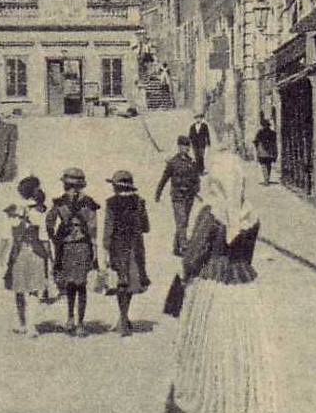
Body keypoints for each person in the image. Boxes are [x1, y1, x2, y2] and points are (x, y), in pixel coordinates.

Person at [167, 151, 278, 413]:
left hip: (213, 291)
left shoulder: (211, 213)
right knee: (241, 358)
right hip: (244, 291)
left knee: (209, 357)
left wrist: (187, 272)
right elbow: (248, 255)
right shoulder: (250, 215)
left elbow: (192, 257)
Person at [46, 168, 99, 336]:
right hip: (83, 245)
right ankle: (81, 323)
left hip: (67, 246)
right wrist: (94, 248)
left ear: (66, 184)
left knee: (69, 284)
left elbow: (49, 222)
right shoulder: (89, 202)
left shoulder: (60, 203)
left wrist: (55, 239)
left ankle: (70, 318)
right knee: (81, 285)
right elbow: (93, 227)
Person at [0, 178, 49, 338]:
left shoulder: (13, 211)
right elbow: (44, 238)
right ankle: (32, 326)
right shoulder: (40, 212)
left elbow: (6, 237)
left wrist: (1, 256)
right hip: (36, 253)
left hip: (18, 253)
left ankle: (22, 324)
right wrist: (51, 258)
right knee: (34, 291)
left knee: (19, 291)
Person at [103, 170, 150, 337]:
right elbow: (146, 227)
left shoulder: (111, 203)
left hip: (117, 246)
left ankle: (122, 319)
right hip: (135, 246)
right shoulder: (139, 202)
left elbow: (108, 229)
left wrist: (105, 250)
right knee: (131, 282)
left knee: (120, 282)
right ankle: (124, 317)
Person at [154, 134, 201, 255]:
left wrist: (196, 189)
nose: (186, 148)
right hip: (177, 196)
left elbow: (196, 178)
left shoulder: (192, 162)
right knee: (181, 220)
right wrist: (158, 193)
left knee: (184, 222)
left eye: (187, 146)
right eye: (183, 146)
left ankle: (176, 247)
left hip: (189, 196)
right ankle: (184, 247)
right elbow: (164, 178)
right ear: (179, 147)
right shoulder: (173, 162)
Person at [253, 117, 278, 184]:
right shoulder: (273, 133)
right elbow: (274, 142)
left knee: (263, 165)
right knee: (268, 165)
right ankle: (267, 178)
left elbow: (255, 141)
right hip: (270, 152)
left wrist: (257, 147)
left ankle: (266, 179)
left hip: (262, 152)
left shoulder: (260, 132)